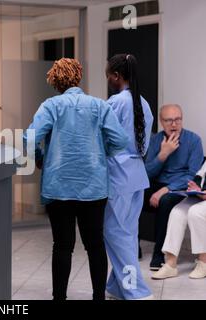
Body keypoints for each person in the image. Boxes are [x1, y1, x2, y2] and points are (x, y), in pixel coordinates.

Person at [25, 58, 128, 300]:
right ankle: (98, 297)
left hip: (57, 186)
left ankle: (59, 297)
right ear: (78, 77)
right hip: (93, 187)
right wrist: (103, 153)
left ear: (55, 81)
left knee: (62, 246)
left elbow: (29, 138)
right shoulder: (99, 106)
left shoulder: (50, 106)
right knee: (95, 245)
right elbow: (121, 140)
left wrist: (40, 157)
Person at [103, 54, 154, 300]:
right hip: (137, 175)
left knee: (114, 232)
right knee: (128, 233)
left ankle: (138, 292)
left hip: (118, 175)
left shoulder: (115, 102)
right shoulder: (143, 103)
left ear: (116, 76)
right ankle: (117, 287)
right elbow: (144, 146)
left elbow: (104, 138)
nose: (108, 79)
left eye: (108, 74)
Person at [144, 104, 203, 270]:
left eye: (178, 119)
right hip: (158, 182)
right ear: (162, 123)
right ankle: (132, 246)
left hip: (181, 187)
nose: (174, 124)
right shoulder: (155, 140)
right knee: (132, 192)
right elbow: (147, 173)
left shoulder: (194, 140)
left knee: (166, 201)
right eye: (169, 120)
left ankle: (159, 254)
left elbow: (193, 175)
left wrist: (165, 190)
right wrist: (163, 155)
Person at [151, 162, 206, 280]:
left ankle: (204, 262)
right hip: (202, 196)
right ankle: (171, 264)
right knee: (177, 212)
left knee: (196, 212)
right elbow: (200, 174)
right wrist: (195, 188)